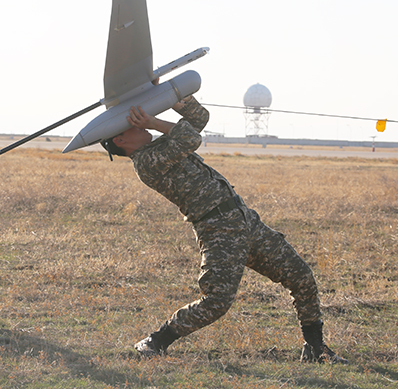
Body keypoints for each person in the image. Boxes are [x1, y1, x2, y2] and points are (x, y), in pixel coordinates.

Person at [101, 95, 348, 364]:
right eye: (134, 126)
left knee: (301, 276)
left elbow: (198, 120)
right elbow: (190, 139)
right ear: (121, 141)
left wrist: (170, 97)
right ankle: (156, 340)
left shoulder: (160, 144)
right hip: (218, 231)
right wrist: (154, 120)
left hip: (244, 221)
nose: (143, 126)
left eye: (141, 121)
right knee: (217, 301)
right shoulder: (147, 163)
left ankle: (315, 348)